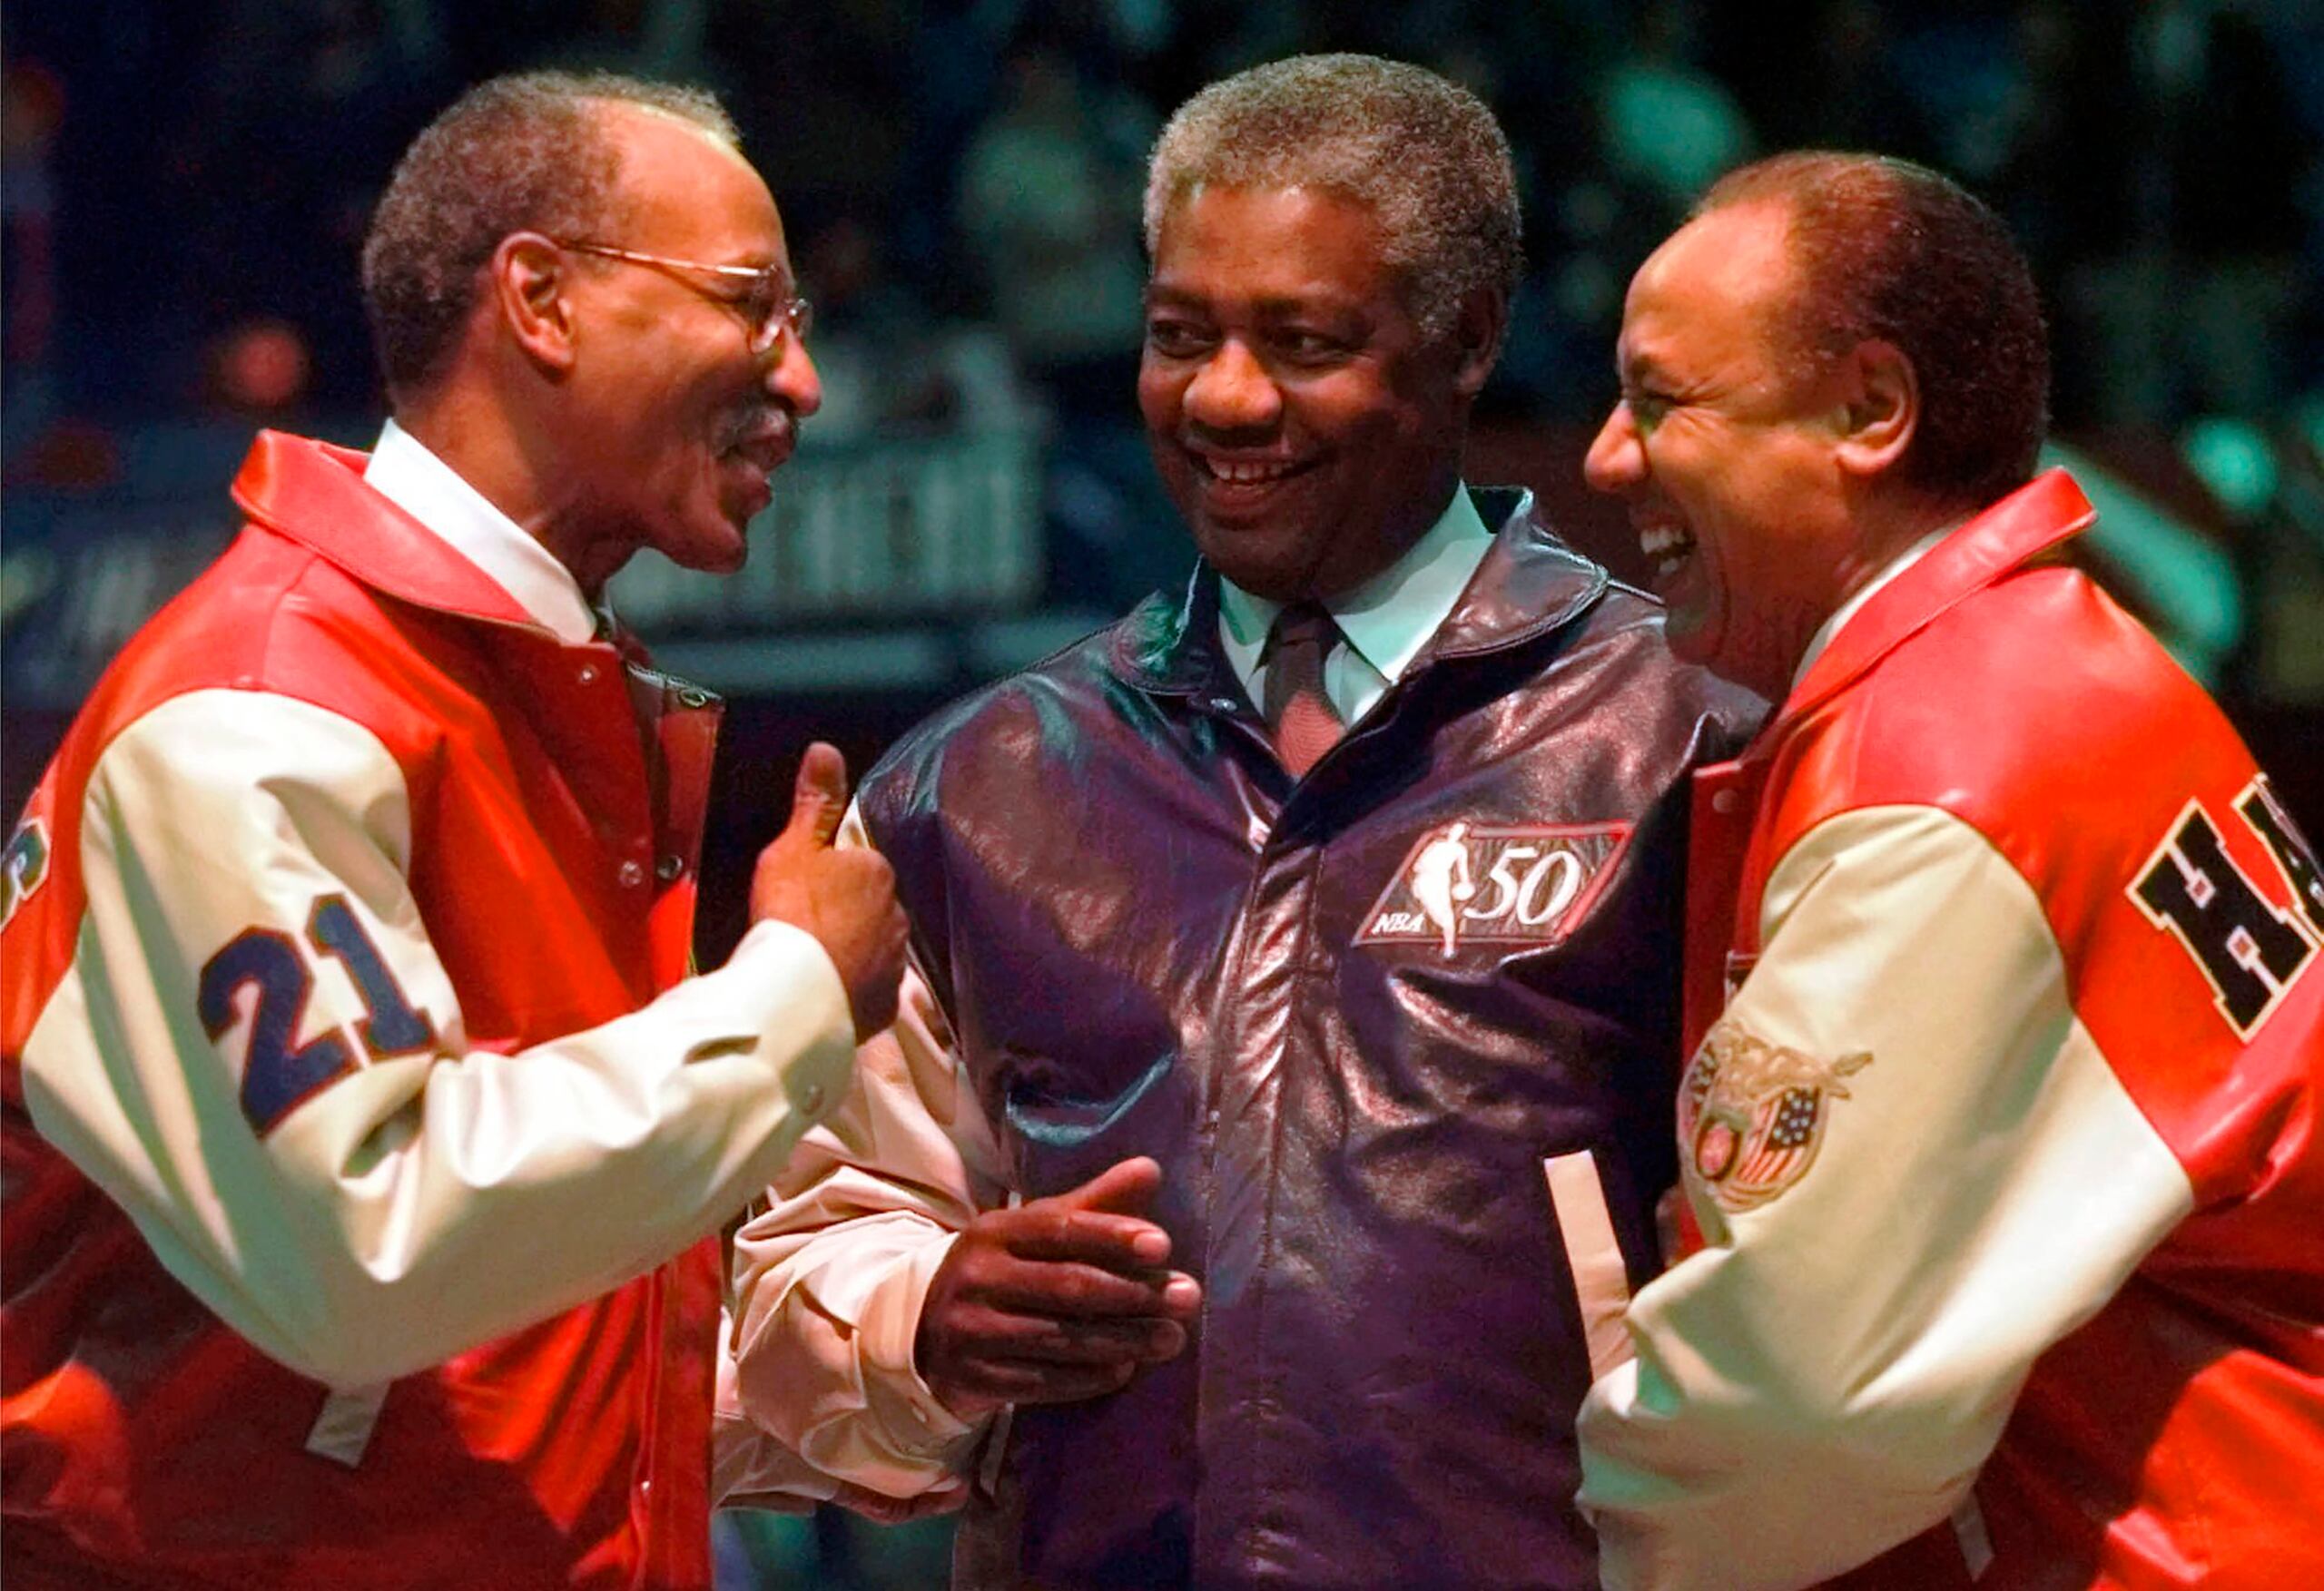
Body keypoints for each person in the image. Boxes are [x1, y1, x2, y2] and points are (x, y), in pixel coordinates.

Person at [724, 54, 1760, 1587]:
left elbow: (1827, 1276)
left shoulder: (1686, 735)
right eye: (1178, 335)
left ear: (1468, 341)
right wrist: (922, 1309)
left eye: (1305, 341)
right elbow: (786, 1301)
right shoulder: (975, 785)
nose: (1223, 396)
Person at [0, 71, 907, 1588]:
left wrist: (913, 1344)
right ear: (541, 301)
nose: (801, 377)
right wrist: (793, 991)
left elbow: (512, 1366)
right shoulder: (258, 707)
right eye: (754, 305)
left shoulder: (517, 699)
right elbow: (377, 1242)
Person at [1572, 151, 2324, 1589]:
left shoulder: (1935, 774)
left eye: (1661, 398)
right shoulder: (2057, 664)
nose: (1609, 454)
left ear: (1869, 411)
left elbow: (1798, 1402)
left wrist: (1588, 1525)